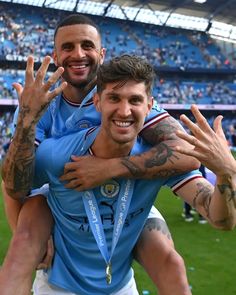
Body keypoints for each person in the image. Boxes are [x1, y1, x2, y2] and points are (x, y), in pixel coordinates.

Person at [3, 54, 236, 294]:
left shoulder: (159, 161)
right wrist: (25, 124)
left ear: (149, 106)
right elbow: (14, 184)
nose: (124, 111)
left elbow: (221, 219)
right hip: (58, 286)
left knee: (172, 264)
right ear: (97, 102)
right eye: (114, 98)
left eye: (135, 100)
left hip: (121, 287)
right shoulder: (58, 156)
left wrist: (226, 175)